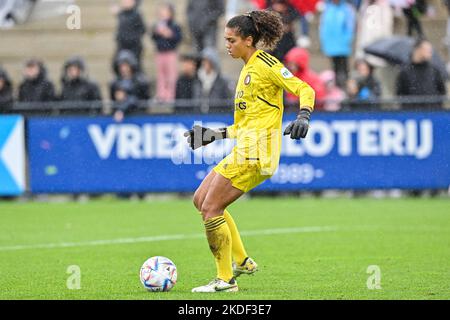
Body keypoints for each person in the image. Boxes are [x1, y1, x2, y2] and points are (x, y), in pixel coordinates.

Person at [184, 9, 315, 293]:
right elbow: (242, 125)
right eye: (226, 40)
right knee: (201, 200)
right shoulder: (246, 69)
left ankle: (225, 281)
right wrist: (211, 135)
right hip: (245, 148)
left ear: (248, 39)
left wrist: (303, 115)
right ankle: (241, 261)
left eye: (231, 40)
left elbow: (304, 88)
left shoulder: (265, 63)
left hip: (257, 152)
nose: (227, 45)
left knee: (211, 208)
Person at [396, 38, 447, 110]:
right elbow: (400, 94)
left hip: (432, 113)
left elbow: (442, 92)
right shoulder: (405, 71)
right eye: (427, 50)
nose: (430, 53)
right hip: (413, 115)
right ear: (418, 49)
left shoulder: (434, 71)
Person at [319, 0, 356, 89]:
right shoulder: (327, 9)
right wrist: (324, 41)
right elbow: (323, 27)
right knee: (335, 69)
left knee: (343, 69)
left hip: (343, 46)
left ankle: (345, 90)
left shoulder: (347, 9)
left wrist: (346, 40)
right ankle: (337, 90)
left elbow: (350, 27)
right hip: (331, 45)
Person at [150, 3, 182, 103]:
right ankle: (161, 95)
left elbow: (178, 38)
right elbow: (153, 37)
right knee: (161, 75)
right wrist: (156, 32)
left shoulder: (175, 26)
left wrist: (170, 34)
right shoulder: (158, 24)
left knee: (171, 75)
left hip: (170, 53)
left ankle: (171, 96)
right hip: (160, 53)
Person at [197, 47, 233, 111]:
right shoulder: (197, 79)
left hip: (216, 116)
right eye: (203, 61)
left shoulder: (222, 82)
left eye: (207, 61)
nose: (204, 63)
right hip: (199, 116)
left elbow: (228, 102)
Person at [114, 0, 146, 70]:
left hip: (134, 46)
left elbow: (142, 29)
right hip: (122, 45)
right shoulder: (121, 14)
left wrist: (132, 38)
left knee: (135, 66)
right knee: (118, 64)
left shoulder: (137, 14)